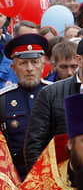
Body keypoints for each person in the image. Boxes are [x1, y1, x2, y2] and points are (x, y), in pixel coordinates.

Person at [24, 35, 83, 171]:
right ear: (79, 60)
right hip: (63, 183)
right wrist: (49, 184)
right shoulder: (51, 94)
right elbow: (34, 145)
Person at [0, 34, 51, 179]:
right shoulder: (3, 100)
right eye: (23, 63)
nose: (29, 68)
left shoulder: (56, 94)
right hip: (16, 178)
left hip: (53, 176)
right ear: (13, 68)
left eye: (34, 62)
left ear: (43, 64)